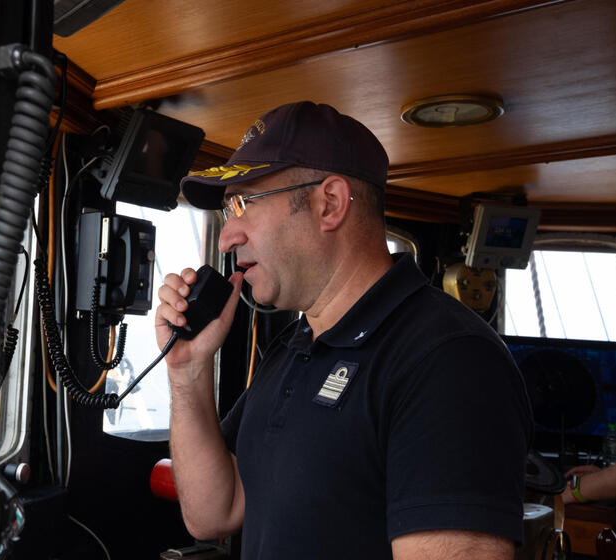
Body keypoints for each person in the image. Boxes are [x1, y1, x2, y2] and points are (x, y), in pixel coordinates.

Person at [155, 101, 533, 559]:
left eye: (242, 203)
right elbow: (215, 512)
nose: (226, 236)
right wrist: (188, 372)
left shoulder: (449, 361)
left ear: (329, 204)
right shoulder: (291, 348)